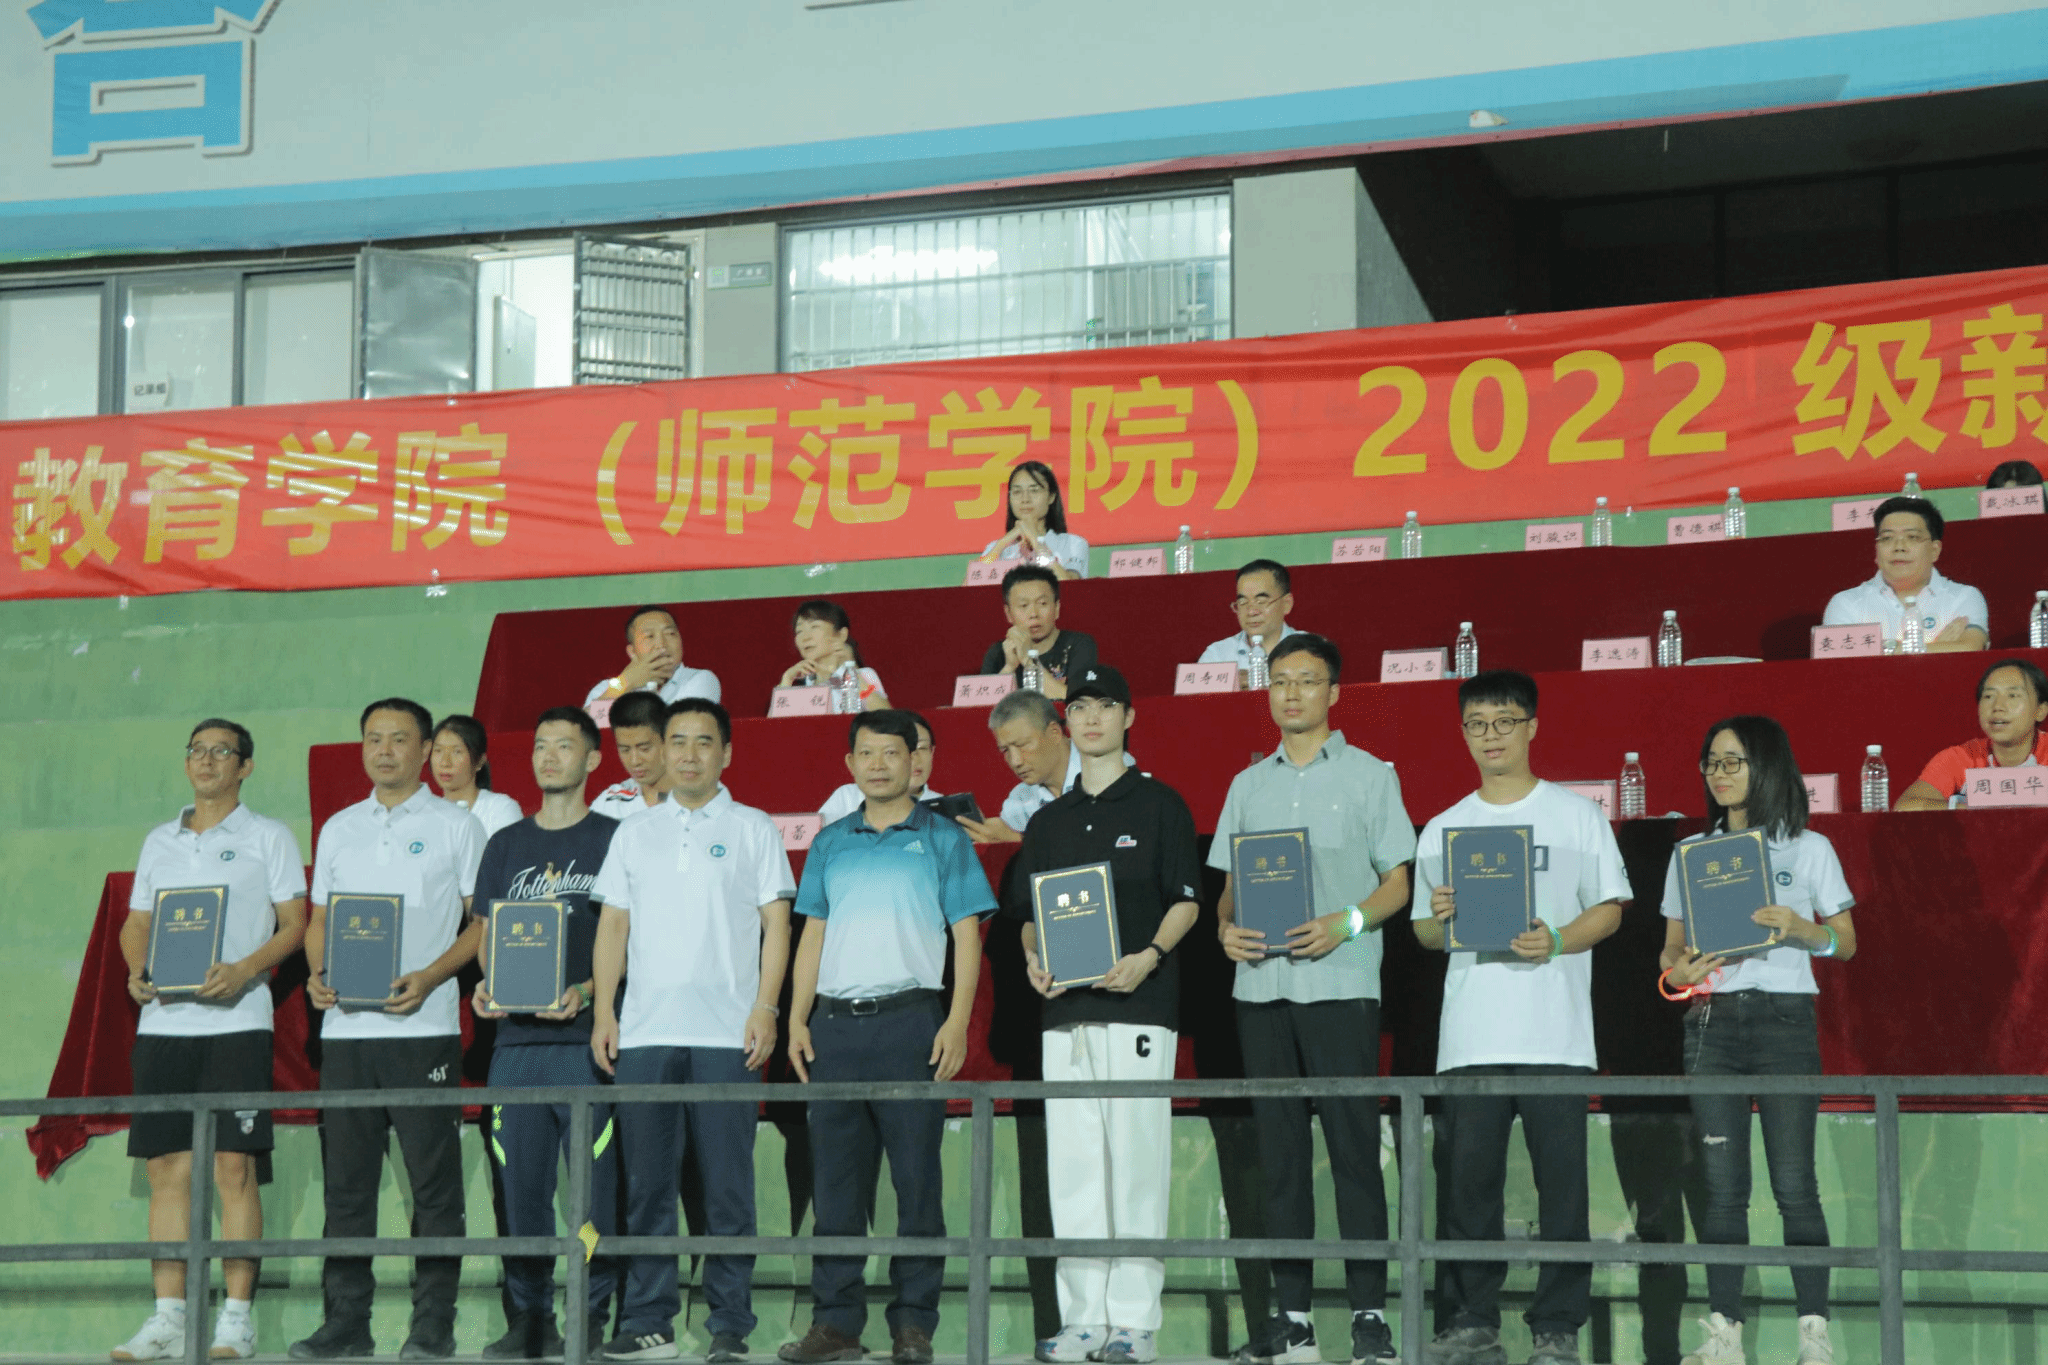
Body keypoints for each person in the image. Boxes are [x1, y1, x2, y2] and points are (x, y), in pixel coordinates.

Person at [1411, 670, 1629, 1365]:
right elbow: (1423, 932)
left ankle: (1557, 1326)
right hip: (1471, 1036)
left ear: (1532, 726)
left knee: (1562, 1190)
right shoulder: (1443, 827)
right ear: (1462, 733)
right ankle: (1470, 1319)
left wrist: (1558, 939)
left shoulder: (1576, 817)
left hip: (1555, 1035)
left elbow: (1610, 908)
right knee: (1466, 1187)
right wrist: (1442, 919)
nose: (1491, 736)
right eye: (1477, 724)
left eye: (1504, 721)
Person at [1212, 636, 1411, 1365]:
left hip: (1340, 985)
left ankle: (1369, 1317)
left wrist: (1346, 923)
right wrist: (1226, 929)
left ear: (1333, 692)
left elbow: (1398, 884)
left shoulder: (1371, 776)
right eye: (1279, 681)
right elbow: (1228, 888)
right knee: (1281, 1158)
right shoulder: (1246, 785)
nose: (1291, 693)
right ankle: (1292, 1319)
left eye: (1306, 680)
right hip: (1261, 989)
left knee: (1355, 1152)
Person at [780, 710, 994, 1365]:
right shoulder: (830, 841)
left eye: (891, 753)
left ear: (915, 762)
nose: (878, 765)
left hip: (911, 1023)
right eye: (866, 754)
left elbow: (966, 935)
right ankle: (836, 1321)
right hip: (834, 1029)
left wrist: (955, 1020)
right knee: (835, 1186)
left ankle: (914, 1324)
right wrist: (796, 1017)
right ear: (850, 764)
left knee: (916, 1183)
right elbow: (812, 933)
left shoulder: (942, 838)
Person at [1009, 665, 1202, 1365]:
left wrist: (1149, 956)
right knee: (1075, 1164)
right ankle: (1084, 1317)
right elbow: (1029, 915)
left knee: (1136, 1161)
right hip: (1065, 1013)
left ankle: (1135, 1322)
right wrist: (1034, 958)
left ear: (1128, 716)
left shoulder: (1160, 804)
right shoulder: (1048, 820)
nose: (1092, 719)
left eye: (1105, 706)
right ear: (1067, 721)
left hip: (1139, 1007)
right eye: (1080, 707)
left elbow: (1186, 900)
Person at [592, 699, 795, 1362]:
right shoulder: (633, 832)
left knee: (727, 1188)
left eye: (703, 741)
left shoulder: (753, 827)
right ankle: (649, 1318)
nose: (687, 754)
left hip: (727, 1038)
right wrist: (605, 1012)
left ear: (726, 752)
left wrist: (765, 1007)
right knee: (647, 1187)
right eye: (676, 740)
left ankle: (729, 1324)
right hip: (645, 1035)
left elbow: (776, 924)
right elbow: (613, 925)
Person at [1659, 717, 1857, 1365]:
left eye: (1733, 761)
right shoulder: (1692, 852)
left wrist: (1802, 929)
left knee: (1795, 1182)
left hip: (1783, 1021)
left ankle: (1813, 1334)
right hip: (1711, 1023)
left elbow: (1844, 942)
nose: (1719, 774)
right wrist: (1678, 974)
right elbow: (1670, 952)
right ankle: (1725, 1332)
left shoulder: (1808, 848)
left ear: (1766, 765)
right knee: (1722, 1187)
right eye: (1711, 762)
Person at [112, 720, 308, 1363]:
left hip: (237, 1024)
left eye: (220, 751)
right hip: (164, 1026)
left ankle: (238, 1319)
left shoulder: (268, 836)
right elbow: (137, 923)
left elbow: (295, 924)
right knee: (166, 1169)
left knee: (233, 1167)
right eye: (196, 750)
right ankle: (169, 1316)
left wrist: (245, 969)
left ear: (244, 766)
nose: (205, 760)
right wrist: (137, 970)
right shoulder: (159, 840)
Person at [295, 699, 484, 1361]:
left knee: (434, 1188)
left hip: (422, 1028)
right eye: (373, 738)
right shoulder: (340, 827)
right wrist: (317, 971)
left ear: (426, 749)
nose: (384, 750)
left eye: (399, 739)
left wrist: (430, 977)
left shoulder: (456, 825)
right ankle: (346, 1322)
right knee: (346, 1187)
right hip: (346, 1033)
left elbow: (483, 922)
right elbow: (319, 919)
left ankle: (433, 1325)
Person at [468, 707, 622, 1361]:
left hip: (587, 1045)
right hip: (516, 1049)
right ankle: (530, 1319)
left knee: (593, 1195)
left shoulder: (616, 838)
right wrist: (488, 983)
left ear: (593, 759)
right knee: (520, 1192)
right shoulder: (505, 843)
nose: (549, 755)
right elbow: (486, 932)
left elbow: (629, 935)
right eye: (540, 745)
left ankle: (589, 1314)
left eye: (564, 745)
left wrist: (586, 990)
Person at [957, 691, 1134, 844]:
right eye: (1005, 750)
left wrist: (1019, 841)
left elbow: (1113, 842)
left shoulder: (1113, 767)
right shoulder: (1020, 800)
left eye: (1023, 745)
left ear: (1054, 733)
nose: (1015, 761)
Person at [1820, 497, 1988, 652]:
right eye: (1887, 538)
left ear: (1935, 550)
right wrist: (1935, 649)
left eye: (1912, 537)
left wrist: (1883, 650)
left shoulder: (1963, 597)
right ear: (1876, 550)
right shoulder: (1846, 604)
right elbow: (1840, 661)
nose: (1899, 547)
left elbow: (1970, 648)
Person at [1894, 658, 2048, 810]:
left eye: (2013, 695)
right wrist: (1965, 812)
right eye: (1988, 696)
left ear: (2040, 710)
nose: (1998, 707)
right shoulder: (1962, 757)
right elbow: (1905, 807)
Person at [979, 565, 1098, 702]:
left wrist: (1028, 659)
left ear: (1057, 608)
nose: (1034, 614)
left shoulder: (1079, 644)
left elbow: (1078, 702)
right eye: (1024, 605)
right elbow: (982, 707)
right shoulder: (998, 653)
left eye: (1042, 603)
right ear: (1008, 614)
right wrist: (1009, 667)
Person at [586, 606, 723, 710]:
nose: (661, 645)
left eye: (670, 634)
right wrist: (626, 682)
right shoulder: (606, 688)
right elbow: (585, 728)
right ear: (632, 651)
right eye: (649, 636)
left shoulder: (700, 679)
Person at [818, 712, 938, 825]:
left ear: (932, 752)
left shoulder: (941, 807)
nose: (915, 759)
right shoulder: (847, 797)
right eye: (891, 752)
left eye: (922, 748)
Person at [777, 600, 890, 713]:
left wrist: (852, 674)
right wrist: (786, 680)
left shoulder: (864, 675)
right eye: (799, 631)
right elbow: (776, 723)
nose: (805, 637)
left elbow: (886, 716)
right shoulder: (803, 686)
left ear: (841, 635)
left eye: (814, 627)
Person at [980, 461, 1089, 579]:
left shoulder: (1072, 543)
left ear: (1051, 496)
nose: (1025, 499)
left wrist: (1035, 541)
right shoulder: (994, 548)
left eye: (1034, 490)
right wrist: (1002, 543)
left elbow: (1067, 584)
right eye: (1017, 492)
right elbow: (972, 584)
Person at [1197, 560, 1302, 677]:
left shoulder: (1312, 650)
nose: (1251, 612)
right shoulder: (1217, 655)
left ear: (1286, 604)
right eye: (1243, 602)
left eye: (1261, 601)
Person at [432, 714, 524, 840]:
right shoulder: (426, 815)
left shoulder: (501, 809)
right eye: (438, 750)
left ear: (480, 761)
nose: (445, 762)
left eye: (457, 752)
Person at [592, 692, 673, 822]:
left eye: (644, 749)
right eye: (625, 750)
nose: (635, 761)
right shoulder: (609, 805)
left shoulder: (699, 798)